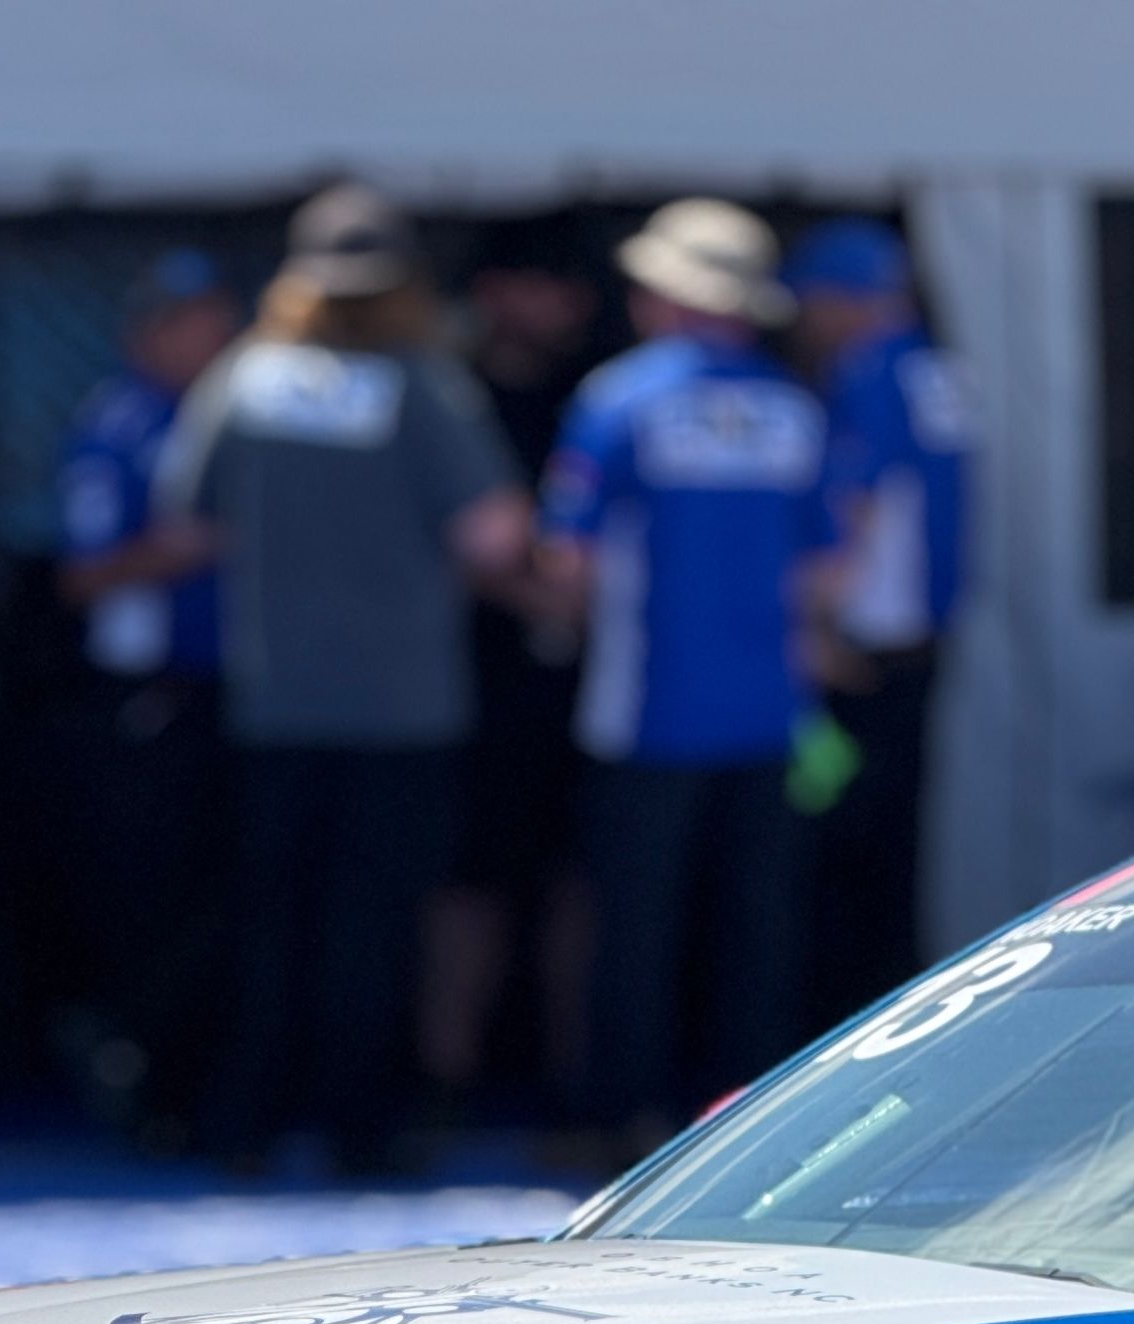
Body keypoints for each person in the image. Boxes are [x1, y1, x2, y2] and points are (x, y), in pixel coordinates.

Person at [159, 183, 529, 1174]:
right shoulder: (423, 385)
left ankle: (245, 1121)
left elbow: (190, 519)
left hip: (277, 698)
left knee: (271, 915)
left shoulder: (245, 379)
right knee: (380, 921)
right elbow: (491, 533)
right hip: (403, 700)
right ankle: (365, 1128)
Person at [538, 198, 835, 1153]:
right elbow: (828, 566)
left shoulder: (621, 399)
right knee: (760, 925)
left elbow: (567, 557)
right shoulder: (795, 408)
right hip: (770, 708)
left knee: (633, 921)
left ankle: (619, 1117)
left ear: (663, 297)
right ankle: (750, 1125)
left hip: (646, 708)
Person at [52, 253, 240, 1142]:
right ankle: (146, 1079)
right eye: (198, 319)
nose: (218, 336)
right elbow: (84, 575)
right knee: (156, 905)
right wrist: (194, 547)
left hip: (236, 694)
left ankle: (207, 1082)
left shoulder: (237, 416)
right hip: (148, 701)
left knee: (225, 900)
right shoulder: (122, 424)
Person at [421, 214, 605, 1119]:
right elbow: (429, 539)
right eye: (546, 286)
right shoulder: (447, 395)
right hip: (469, 679)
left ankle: (575, 1079)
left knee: (582, 876)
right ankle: (444, 1079)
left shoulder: (597, 393)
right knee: (468, 881)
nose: (565, 307)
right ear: (494, 292)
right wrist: (524, 596)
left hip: (590, 680)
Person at [790, 215, 978, 1028]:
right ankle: (891, 1015)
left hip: (860, 652)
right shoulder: (940, 371)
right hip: (920, 643)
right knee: (896, 849)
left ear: (841, 301)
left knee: (836, 858)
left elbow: (853, 509)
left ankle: (840, 1031)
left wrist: (814, 631)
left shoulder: (866, 372)